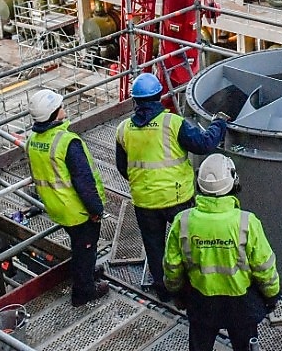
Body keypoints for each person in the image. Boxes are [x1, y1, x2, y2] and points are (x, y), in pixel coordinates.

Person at [116, 72, 229, 301]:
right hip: (178, 199)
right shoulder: (173, 123)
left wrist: (145, 184)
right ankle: (191, 290)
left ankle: (164, 290)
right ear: (159, 96)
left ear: (135, 101)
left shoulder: (123, 129)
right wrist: (220, 122)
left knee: (154, 247)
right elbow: (205, 144)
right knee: (188, 246)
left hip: (145, 201)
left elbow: (122, 167)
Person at [164, 154, 280, 351]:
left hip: (201, 301)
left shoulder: (183, 221)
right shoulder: (247, 222)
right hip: (241, 303)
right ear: (233, 183)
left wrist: (176, 293)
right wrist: (271, 296)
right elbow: (264, 267)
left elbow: (172, 266)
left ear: (199, 184)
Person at [24, 89, 110, 307]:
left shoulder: (33, 140)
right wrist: (96, 209)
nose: (64, 109)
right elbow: (84, 181)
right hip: (77, 209)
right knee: (85, 248)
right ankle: (84, 291)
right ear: (54, 114)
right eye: (60, 107)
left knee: (81, 246)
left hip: (55, 205)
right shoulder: (67, 142)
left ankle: (87, 273)